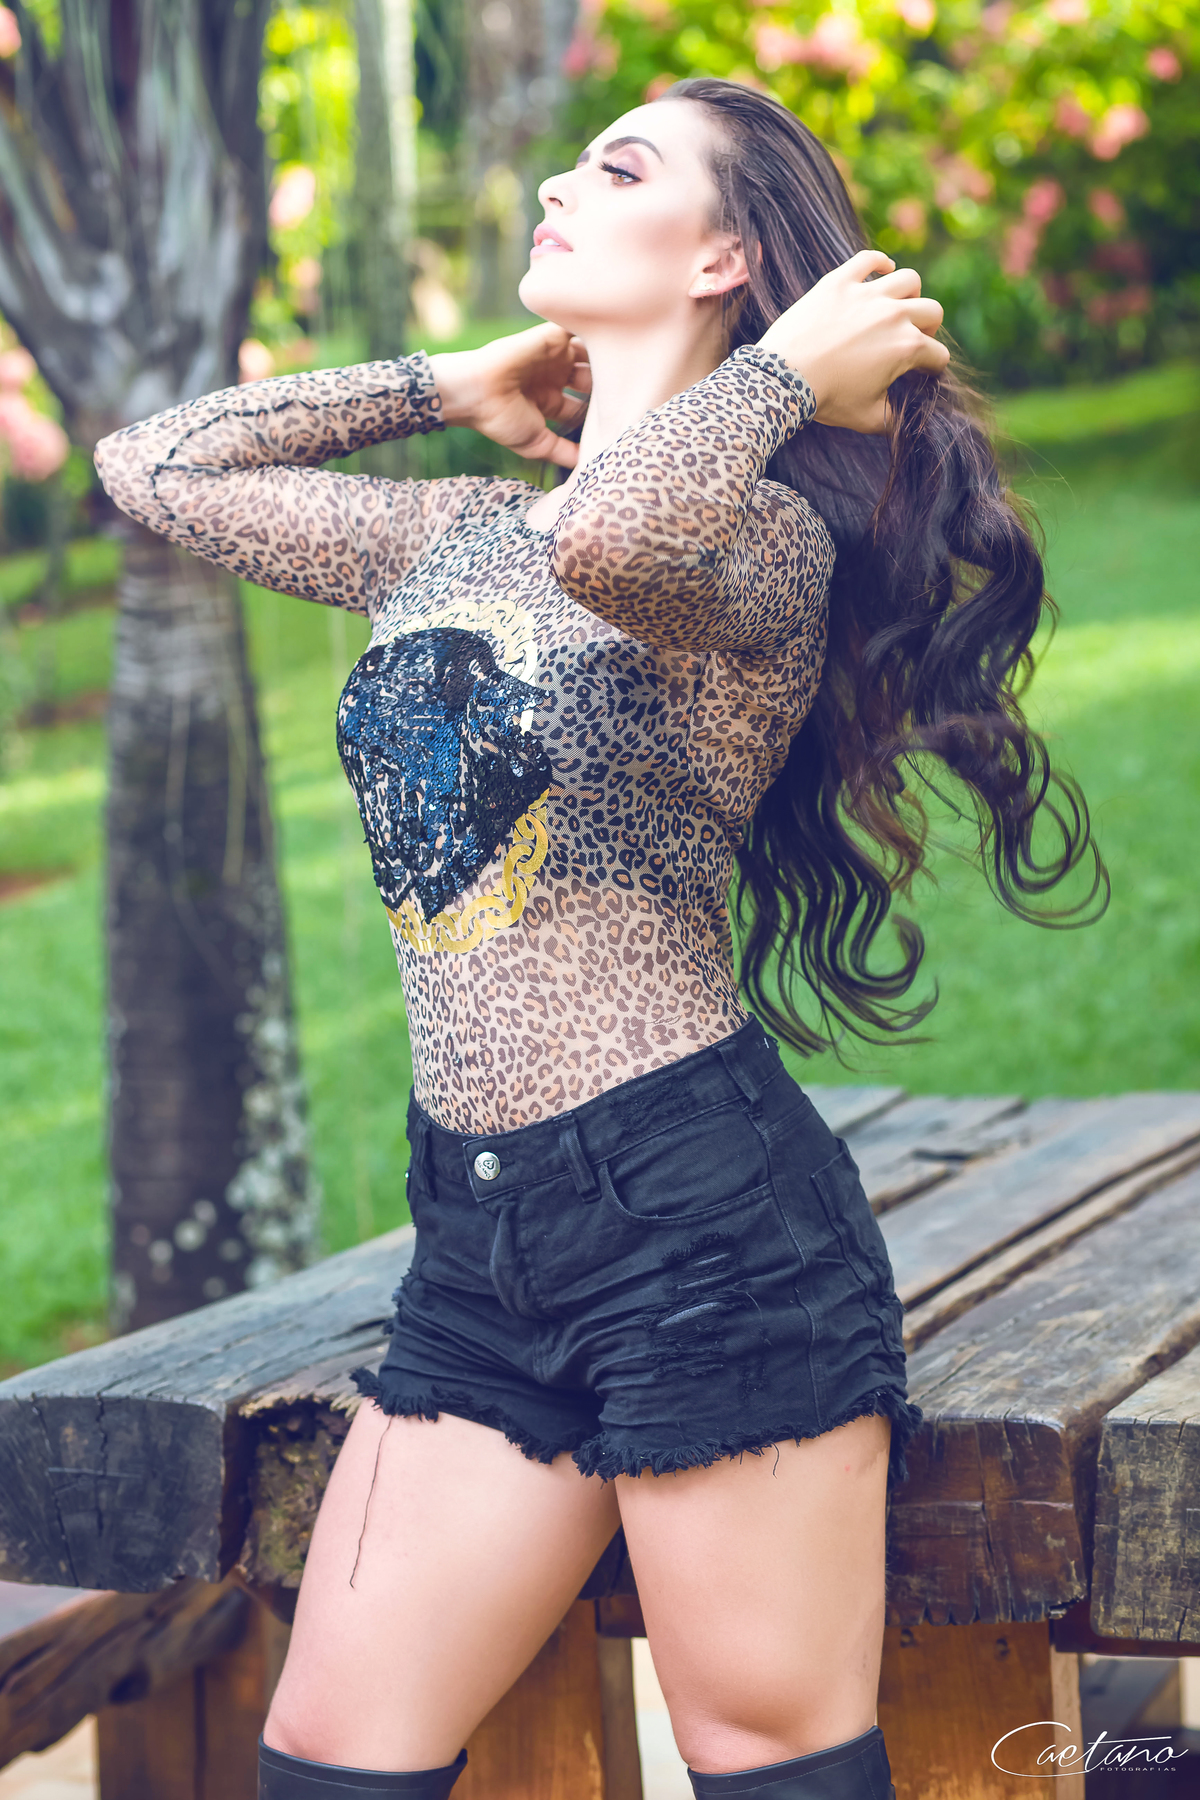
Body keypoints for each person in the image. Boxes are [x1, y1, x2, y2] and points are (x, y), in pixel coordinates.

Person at [95, 77, 1101, 1800]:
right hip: (482, 1246)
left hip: (699, 1232)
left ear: (725, 256)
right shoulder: (457, 536)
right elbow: (152, 468)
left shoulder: (761, 544)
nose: (561, 182)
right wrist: (444, 383)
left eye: (619, 167)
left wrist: (782, 379)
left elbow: (625, 537)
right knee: (331, 1754)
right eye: (572, 159)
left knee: (760, 1757)